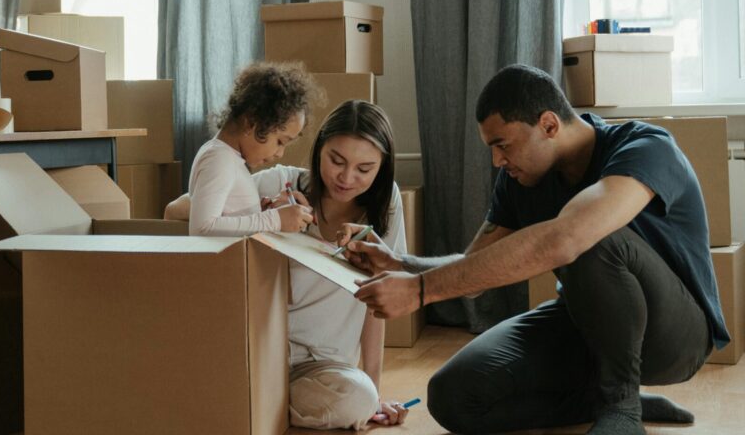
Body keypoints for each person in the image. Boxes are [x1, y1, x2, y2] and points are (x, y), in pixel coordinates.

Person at [341, 64, 728, 435]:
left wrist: (420, 291)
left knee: (589, 236)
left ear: (548, 124)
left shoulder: (646, 147)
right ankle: (600, 399)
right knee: (454, 397)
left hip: (676, 337)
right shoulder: (520, 178)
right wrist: (404, 265)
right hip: (584, 323)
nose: (496, 160)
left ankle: (621, 408)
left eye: (502, 144)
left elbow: (568, 239)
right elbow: (473, 270)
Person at [168, 100, 412, 429]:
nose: (346, 177)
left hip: (324, 367)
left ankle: (255, 404)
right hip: (261, 353)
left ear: (382, 168)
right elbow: (177, 210)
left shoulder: (387, 207)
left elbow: (377, 301)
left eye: (364, 169)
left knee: (359, 400)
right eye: (336, 160)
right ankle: (256, 400)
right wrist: (266, 215)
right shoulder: (281, 183)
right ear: (319, 149)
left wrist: (375, 391)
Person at [186, 61, 319, 236]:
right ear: (251, 122)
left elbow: (228, 222)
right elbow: (202, 228)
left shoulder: (229, 158)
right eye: (280, 141)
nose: (280, 153)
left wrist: (260, 214)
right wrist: (274, 220)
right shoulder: (219, 159)